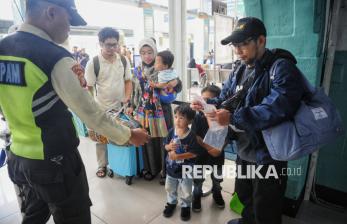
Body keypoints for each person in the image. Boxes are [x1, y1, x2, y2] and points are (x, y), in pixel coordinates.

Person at [0, 1, 149, 223]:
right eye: (68, 19)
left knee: (34, 214)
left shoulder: (3, 48)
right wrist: (128, 135)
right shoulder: (54, 57)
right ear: (51, 12)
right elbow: (89, 111)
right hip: (55, 163)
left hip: (20, 159)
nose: (70, 27)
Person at [191, 17, 306, 224]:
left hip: (268, 155)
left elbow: (276, 108)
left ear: (261, 40)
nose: (238, 50)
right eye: (235, 45)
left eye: (243, 44)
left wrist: (233, 117)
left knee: (266, 208)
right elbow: (226, 98)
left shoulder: (281, 68)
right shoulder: (239, 69)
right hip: (245, 150)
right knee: (245, 196)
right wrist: (207, 104)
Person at [85, 27, 133, 178]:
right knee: (101, 139)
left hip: (120, 107)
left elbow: (128, 81)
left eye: (115, 44)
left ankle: (117, 164)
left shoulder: (123, 60)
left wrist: (126, 97)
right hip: (102, 108)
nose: (112, 48)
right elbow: (89, 87)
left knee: (119, 136)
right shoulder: (94, 63)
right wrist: (92, 107)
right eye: (108, 45)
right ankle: (102, 165)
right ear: (100, 43)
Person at [133, 38, 182, 184]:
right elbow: (135, 91)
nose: (146, 56)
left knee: (164, 140)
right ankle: (151, 169)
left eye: (149, 52)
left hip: (162, 111)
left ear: (155, 52)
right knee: (147, 139)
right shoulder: (138, 70)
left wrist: (172, 85)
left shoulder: (164, 68)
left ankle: (165, 171)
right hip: (145, 112)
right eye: (143, 53)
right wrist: (131, 105)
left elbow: (178, 85)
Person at [163, 104, 203, 221]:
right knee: (170, 188)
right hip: (171, 168)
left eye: (181, 118)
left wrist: (179, 156)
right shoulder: (171, 132)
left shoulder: (191, 136)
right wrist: (168, 146)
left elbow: (194, 153)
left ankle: (185, 206)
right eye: (175, 117)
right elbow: (165, 146)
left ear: (189, 121)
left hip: (186, 170)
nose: (177, 120)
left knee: (186, 190)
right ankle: (171, 203)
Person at [191, 85, 225, 212]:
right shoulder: (197, 116)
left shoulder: (221, 118)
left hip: (217, 154)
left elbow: (223, 138)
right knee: (198, 179)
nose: (206, 104)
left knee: (217, 178)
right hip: (200, 154)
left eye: (211, 101)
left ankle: (217, 193)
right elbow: (195, 137)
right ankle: (196, 196)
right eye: (204, 100)